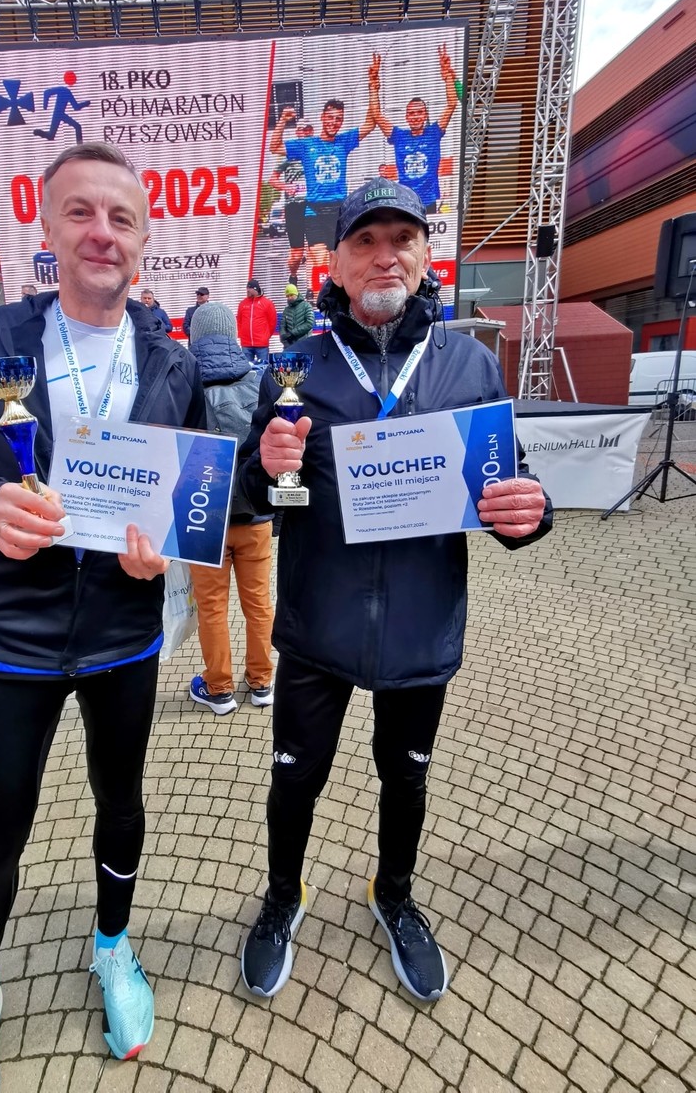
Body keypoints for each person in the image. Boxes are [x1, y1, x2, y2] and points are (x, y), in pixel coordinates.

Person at [0, 141, 205, 1090]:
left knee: (122, 806)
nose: (101, 233)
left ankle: (112, 948)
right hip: (13, 638)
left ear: (145, 237)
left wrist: (166, 543)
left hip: (125, 633)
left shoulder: (172, 358)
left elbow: (188, 490)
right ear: (46, 227)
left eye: (122, 218)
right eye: (81, 212)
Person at [236, 178, 552, 1004]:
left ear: (424, 255)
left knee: (405, 778)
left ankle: (396, 894)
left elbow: (506, 485)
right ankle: (283, 896)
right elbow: (261, 497)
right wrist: (266, 471)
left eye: (401, 239)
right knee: (294, 778)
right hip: (317, 626)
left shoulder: (469, 364)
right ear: (336, 264)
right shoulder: (295, 368)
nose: (385, 256)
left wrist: (532, 512)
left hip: (420, 624)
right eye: (365, 241)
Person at [186, 301, 275, 715]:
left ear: (194, 336)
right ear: (233, 334)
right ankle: (262, 682)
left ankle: (218, 688)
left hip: (203, 518)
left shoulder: (182, 384)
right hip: (254, 514)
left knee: (212, 607)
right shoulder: (259, 380)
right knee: (259, 603)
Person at [270, 94, 375, 292]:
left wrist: (372, 87)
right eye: (330, 117)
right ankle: (323, 301)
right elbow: (274, 147)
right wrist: (283, 120)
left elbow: (370, 123)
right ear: (322, 117)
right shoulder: (307, 145)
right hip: (314, 212)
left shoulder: (344, 141)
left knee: (341, 264)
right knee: (321, 264)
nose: (334, 122)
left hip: (339, 212)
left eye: (338, 119)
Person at [369, 45, 459, 213]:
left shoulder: (433, 133)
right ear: (406, 117)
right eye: (411, 113)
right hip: (405, 200)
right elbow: (376, 114)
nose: (415, 117)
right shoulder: (399, 136)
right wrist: (373, 85)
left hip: (428, 200)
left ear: (425, 115)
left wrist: (447, 75)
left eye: (419, 113)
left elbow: (452, 104)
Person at [268, 118, 313, 284]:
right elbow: (272, 179)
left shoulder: (317, 152)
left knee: (314, 249)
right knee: (297, 254)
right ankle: (293, 275)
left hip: (313, 205)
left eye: (309, 130)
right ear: (297, 132)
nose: (306, 133)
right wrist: (286, 187)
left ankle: (311, 287)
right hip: (294, 206)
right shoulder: (289, 155)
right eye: (303, 130)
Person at [236, 279, 277, 364]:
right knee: (246, 369)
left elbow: (272, 322)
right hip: (246, 344)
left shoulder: (267, 303)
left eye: (249, 290)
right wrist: (242, 335)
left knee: (263, 367)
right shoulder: (243, 303)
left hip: (261, 344)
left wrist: (266, 336)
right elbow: (239, 321)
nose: (247, 292)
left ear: (255, 289)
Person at [278, 283, 315, 349]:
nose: (289, 298)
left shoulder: (306, 306)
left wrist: (292, 333)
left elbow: (309, 323)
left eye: (291, 295)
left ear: (296, 294)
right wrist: (284, 340)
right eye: (287, 296)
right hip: (290, 345)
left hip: (304, 344)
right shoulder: (286, 310)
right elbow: (282, 326)